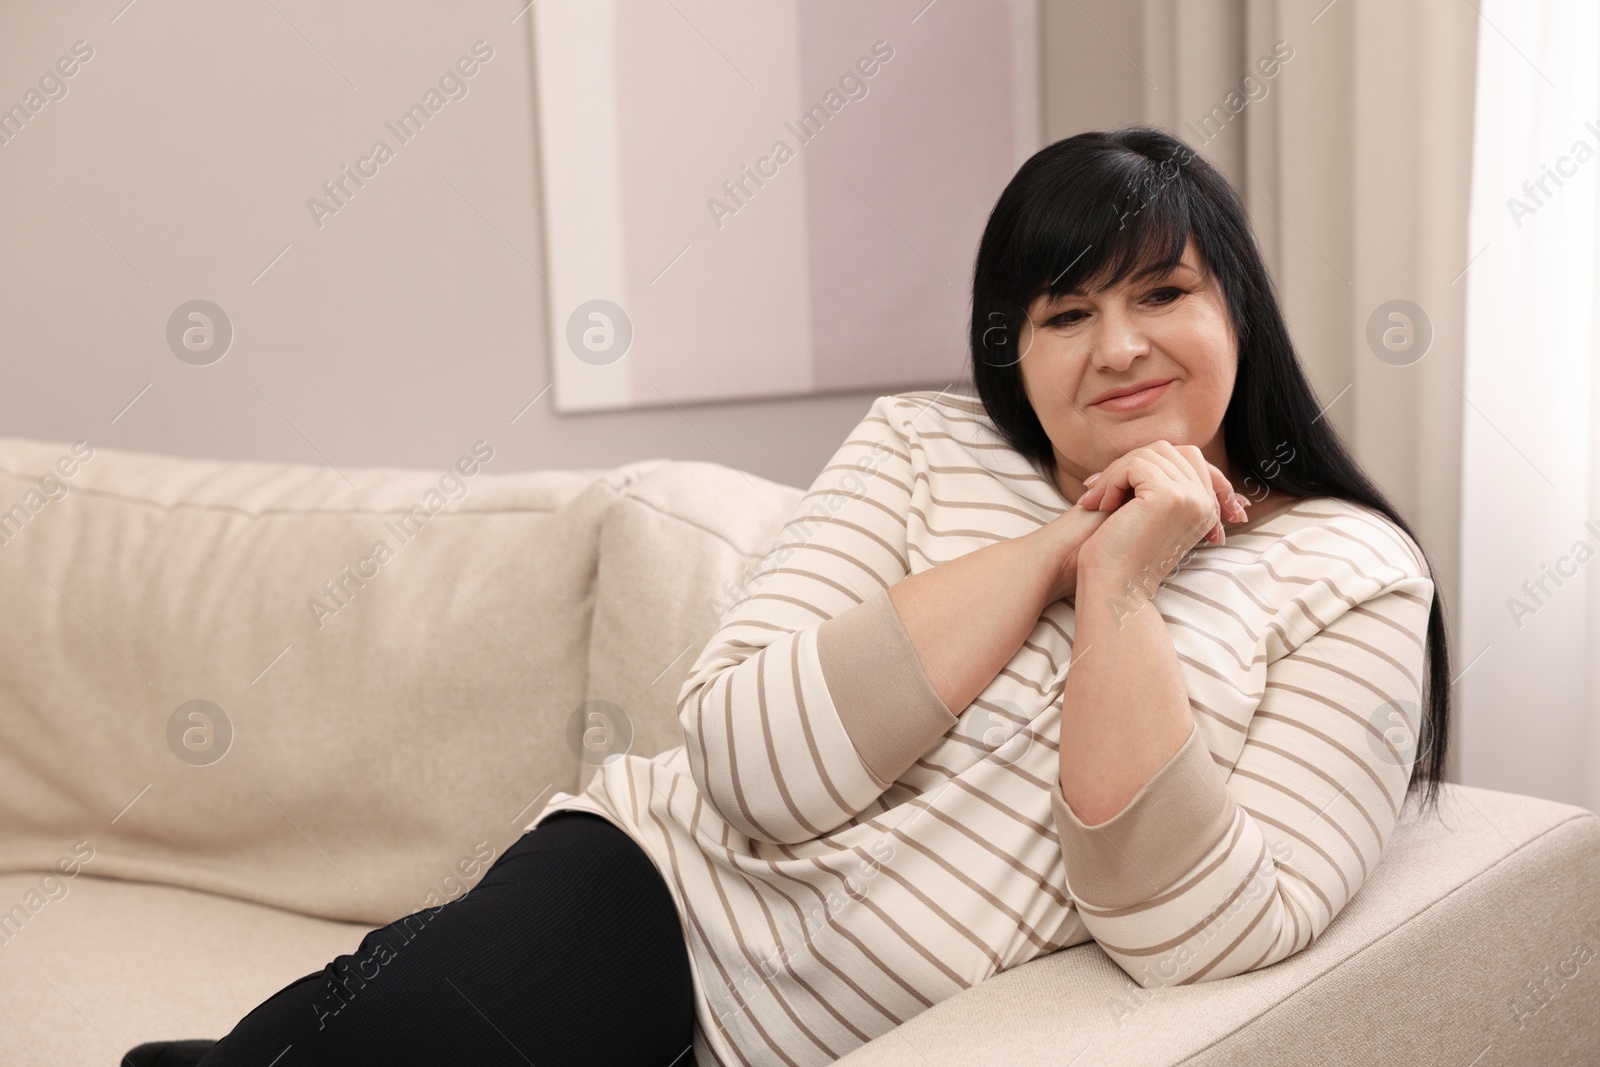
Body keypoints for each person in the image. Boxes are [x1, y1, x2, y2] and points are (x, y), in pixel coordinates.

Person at [125, 125, 1449, 1067]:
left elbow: (1196, 926)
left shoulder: (1351, 579)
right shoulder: (922, 447)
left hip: (854, 1021)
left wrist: (1120, 588)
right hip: (660, 889)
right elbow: (751, 764)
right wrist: (1054, 552)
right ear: (1013, 350)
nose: (1118, 347)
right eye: (1063, 313)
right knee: (403, 1046)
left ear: (1242, 315)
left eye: (1164, 293)